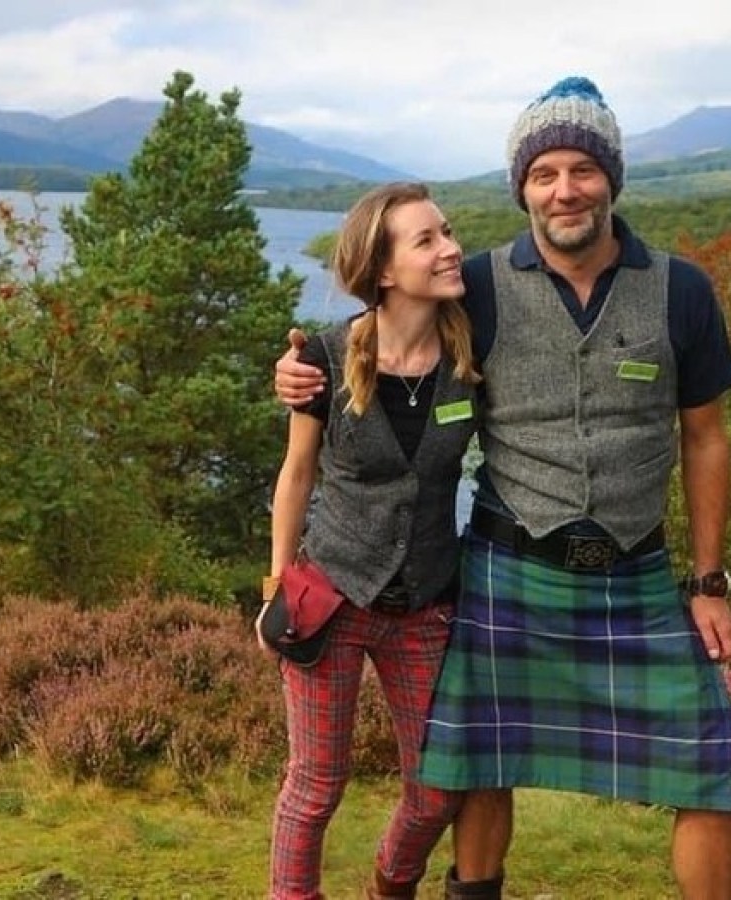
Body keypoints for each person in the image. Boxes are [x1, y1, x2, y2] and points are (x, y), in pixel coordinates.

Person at [273, 76, 731, 900]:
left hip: (638, 568)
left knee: (711, 762)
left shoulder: (682, 291)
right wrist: (304, 371)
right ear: (522, 185)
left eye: (582, 169)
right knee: (479, 765)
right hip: (506, 565)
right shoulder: (476, 289)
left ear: (612, 178)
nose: (564, 190)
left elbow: (704, 437)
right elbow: (389, 335)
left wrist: (709, 582)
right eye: (544, 172)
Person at [258, 181, 480, 899]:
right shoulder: (322, 358)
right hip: (333, 598)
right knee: (317, 786)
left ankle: (391, 884)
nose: (451, 249)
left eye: (447, 232)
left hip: (426, 606)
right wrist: (275, 590)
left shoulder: (473, 357)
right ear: (383, 271)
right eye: (428, 240)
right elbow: (296, 478)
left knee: (437, 789)